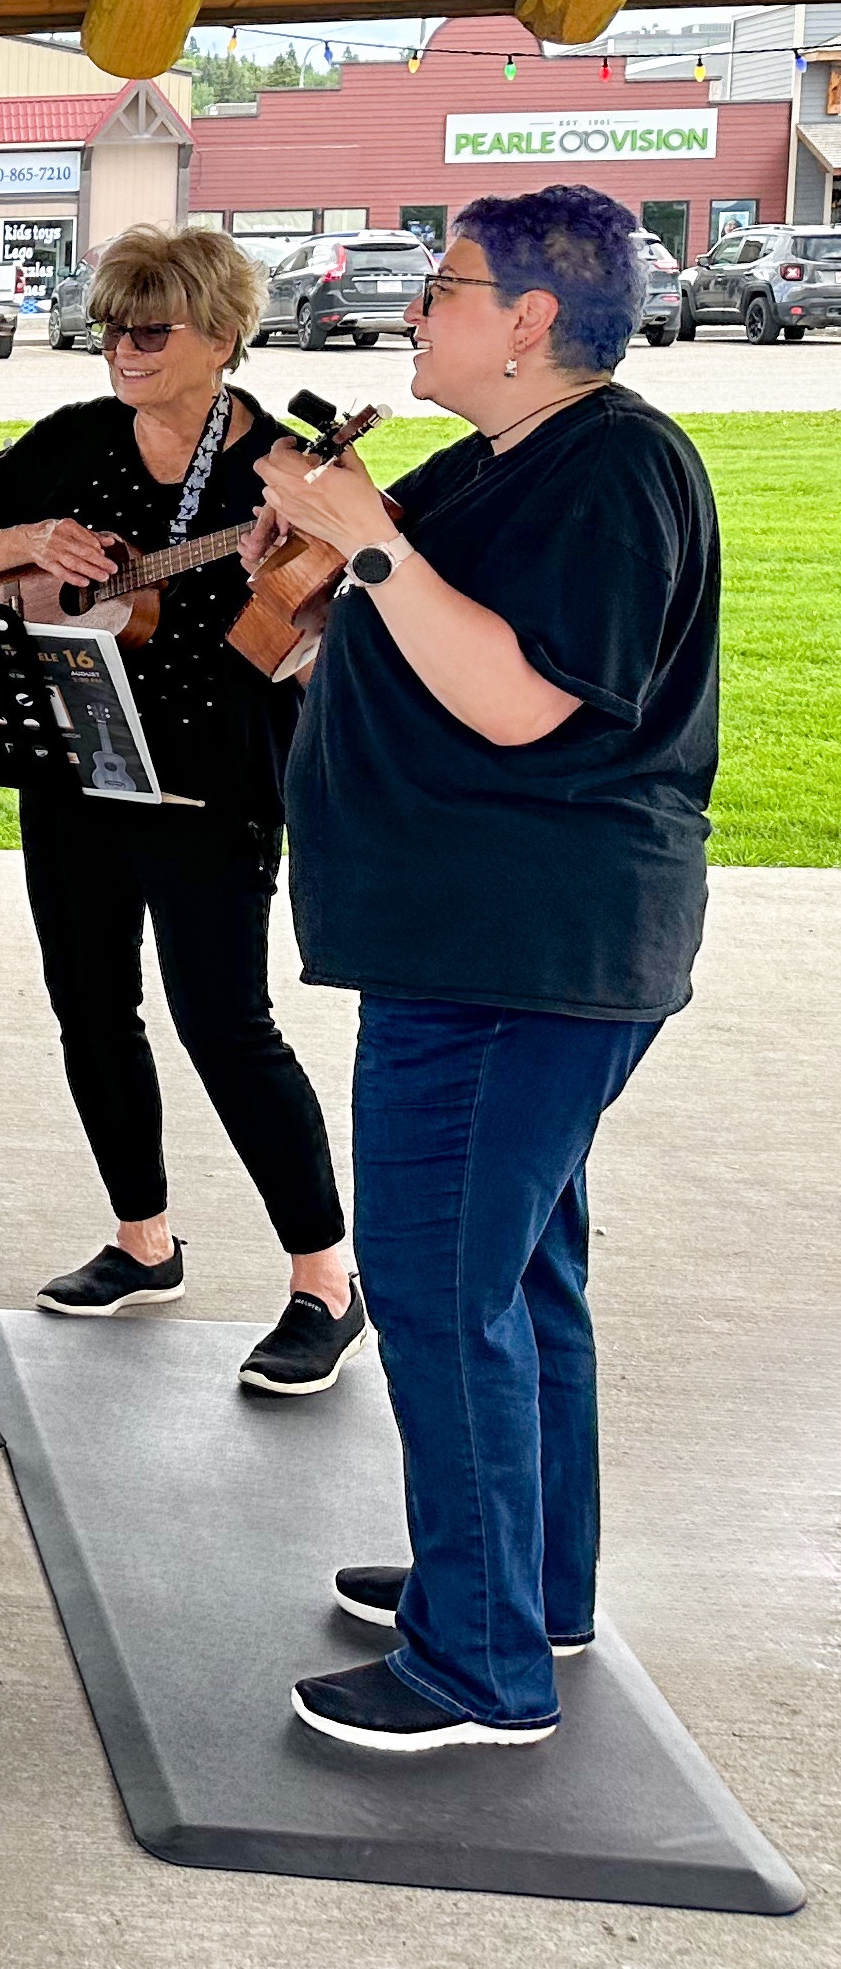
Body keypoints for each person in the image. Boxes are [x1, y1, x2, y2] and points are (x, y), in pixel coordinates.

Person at [251, 188, 717, 1754]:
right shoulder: (484, 465)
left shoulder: (617, 468)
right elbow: (344, 634)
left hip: (522, 948)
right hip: (470, 938)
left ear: (527, 319)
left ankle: (476, 1669)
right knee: (516, 1276)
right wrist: (316, 551)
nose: (410, 309)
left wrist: (366, 540)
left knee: (443, 1293)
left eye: (439, 286)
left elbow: (522, 704)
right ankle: (522, 1588)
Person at [0, 224, 360, 1396]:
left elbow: (312, 636)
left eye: (150, 327)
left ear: (222, 335)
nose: (123, 345)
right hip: (73, 761)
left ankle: (326, 1277)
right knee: (91, 1009)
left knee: (224, 1021)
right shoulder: (76, 439)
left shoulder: (289, 470)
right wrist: (24, 538)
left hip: (214, 774)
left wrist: (298, 587)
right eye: (111, 322)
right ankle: (142, 1239)